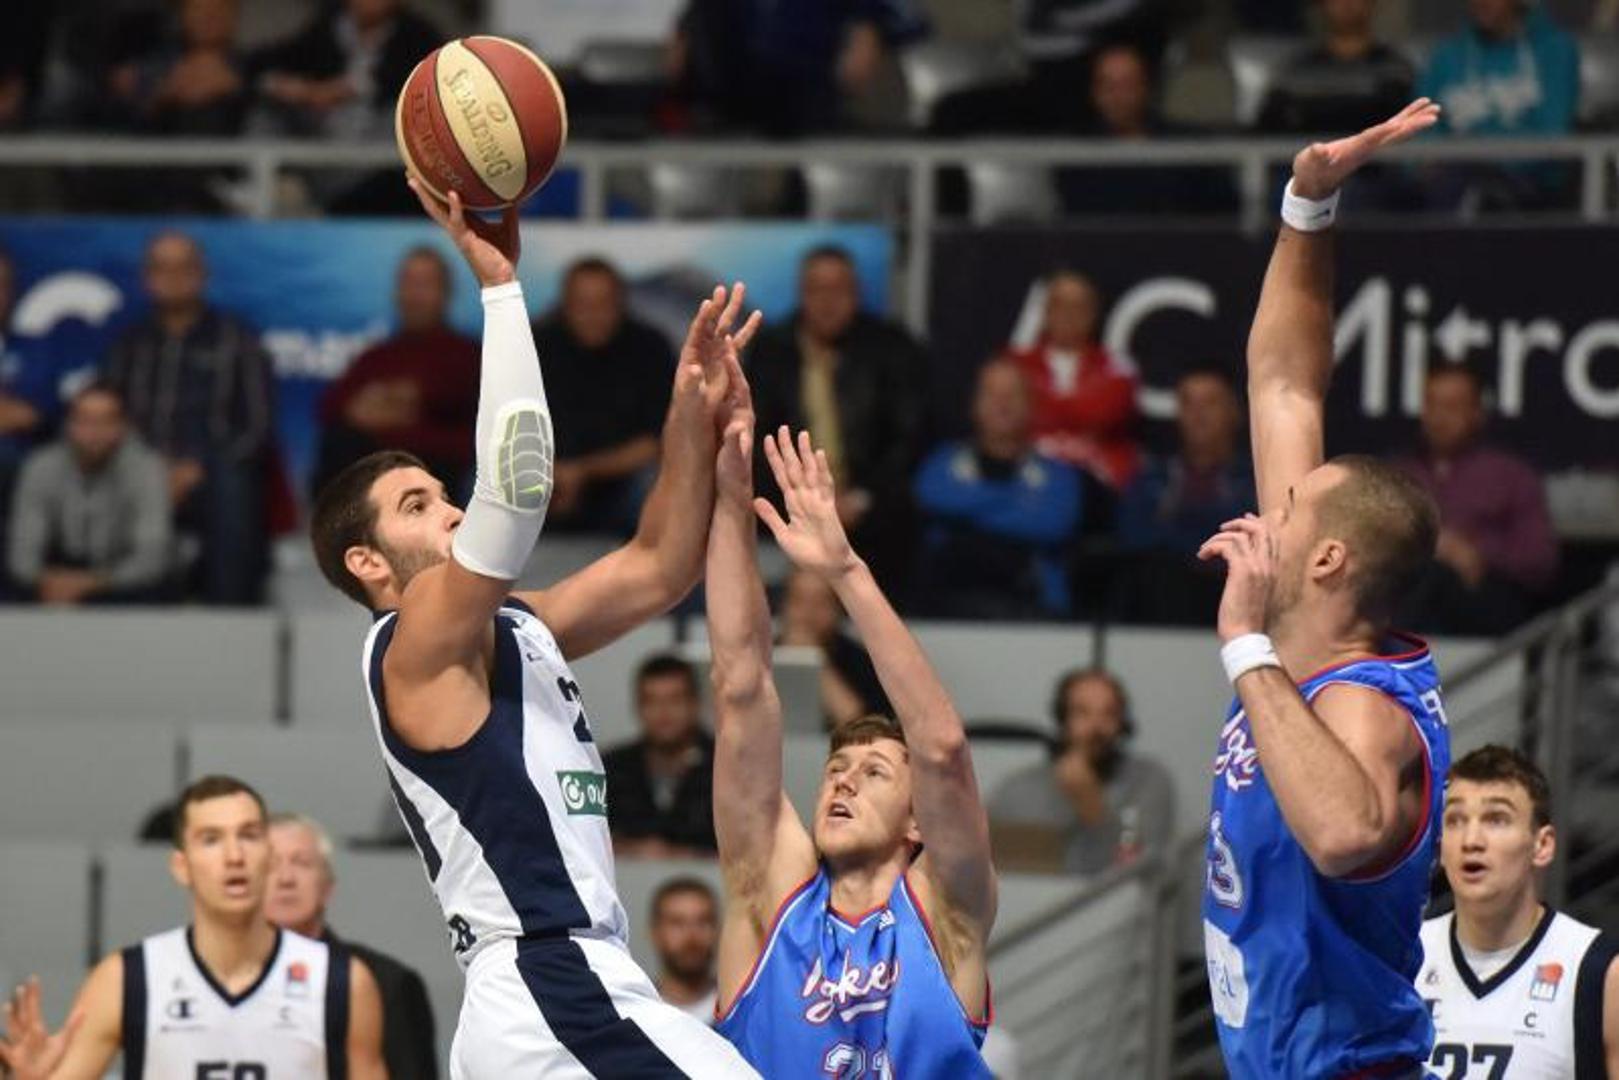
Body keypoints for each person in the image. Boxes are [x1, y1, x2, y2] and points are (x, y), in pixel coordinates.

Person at [307, 179, 759, 1077]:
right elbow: (515, 488)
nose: (448, 510)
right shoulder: (411, 645)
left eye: (442, 493)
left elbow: (659, 565)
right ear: (367, 563)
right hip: (549, 983)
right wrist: (502, 290)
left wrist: (689, 405)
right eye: (416, 505)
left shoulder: (515, 625)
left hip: (564, 986)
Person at [1196, 101, 1453, 1077]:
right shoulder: (1306, 632)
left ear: (1328, 562)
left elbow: (1343, 835)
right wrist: (1307, 203)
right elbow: (1283, 384)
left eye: (1291, 509)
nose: (1269, 509)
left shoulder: (1362, 706)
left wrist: (1243, 648)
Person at [706, 400, 996, 1073]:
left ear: (917, 822)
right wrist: (728, 496)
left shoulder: (943, 910)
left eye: (874, 773)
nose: (842, 781)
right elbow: (740, 686)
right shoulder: (773, 903)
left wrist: (844, 572)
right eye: (836, 769)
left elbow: (942, 749)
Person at [0, 775, 385, 1079]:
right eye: (211, 839)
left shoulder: (343, 980)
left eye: (249, 835)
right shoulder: (127, 977)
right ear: (180, 866)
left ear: (269, 856)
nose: (234, 856)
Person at [1418, 745, 1619, 1076]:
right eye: (1455, 820)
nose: (1471, 840)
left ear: (1542, 845)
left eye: (1496, 819)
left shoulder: (1599, 969)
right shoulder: (1406, 957)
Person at [103, 230, 274, 605]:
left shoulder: (236, 338)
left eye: (184, 267)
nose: (173, 276)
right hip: (137, 469)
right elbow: (108, 417)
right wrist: (152, 470)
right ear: (147, 278)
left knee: (234, 486)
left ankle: (229, 616)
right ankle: (114, 610)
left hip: (212, 473)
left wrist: (198, 468)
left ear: (203, 274)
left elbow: (257, 426)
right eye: (162, 268)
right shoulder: (128, 343)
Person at [749, 246, 927, 591]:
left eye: (839, 289)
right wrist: (801, 502)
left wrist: (860, 498)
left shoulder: (893, 349)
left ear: (857, 294)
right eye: (817, 289)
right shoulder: (771, 351)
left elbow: (909, 438)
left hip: (871, 507)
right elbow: (757, 438)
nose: (827, 301)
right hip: (789, 502)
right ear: (801, 294)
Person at [266, 812, 440, 1080]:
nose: (286, 878)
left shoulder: (387, 982)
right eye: (270, 865)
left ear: (328, 887)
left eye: (302, 863)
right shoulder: (220, 979)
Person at [913, 358, 1083, 620]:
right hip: (948, 611)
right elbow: (930, 496)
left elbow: (1054, 523)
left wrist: (964, 514)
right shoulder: (943, 463)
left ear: (1031, 405)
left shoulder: (1059, 476)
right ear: (973, 404)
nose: (1002, 403)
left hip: (1035, 615)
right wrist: (1019, 501)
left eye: (1012, 394)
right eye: (991, 393)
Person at [1397, 364, 1558, 634]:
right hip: (1408, 593)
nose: (1439, 417)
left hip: (1484, 600)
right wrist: (1434, 545)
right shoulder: (1397, 475)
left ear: (1477, 413)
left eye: (1451, 406)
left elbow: (1539, 562)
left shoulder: (1511, 476)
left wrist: (1476, 554)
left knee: (1439, 576)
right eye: (1431, 404)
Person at [314, 247, 479, 500]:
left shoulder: (468, 356)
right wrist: (368, 411)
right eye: (408, 283)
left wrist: (405, 408)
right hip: (371, 486)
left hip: (439, 483)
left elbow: (470, 436)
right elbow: (331, 407)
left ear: (446, 292)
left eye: (425, 284)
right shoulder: (376, 357)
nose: (415, 295)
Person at [531, 257, 676, 534]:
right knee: (488, 479)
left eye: (603, 304)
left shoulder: (650, 348)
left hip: (624, 480)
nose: (593, 315)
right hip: (543, 477)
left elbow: (658, 441)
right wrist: (550, 473)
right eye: (582, 305)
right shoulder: (535, 345)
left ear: (621, 303)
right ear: (564, 304)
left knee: (658, 481)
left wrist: (582, 471)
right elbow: (505, 429)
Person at [988, 669, 1174, 875]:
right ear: (1063, 720)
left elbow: (1144, 874)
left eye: (1109, 714)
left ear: (1123, 723)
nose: (1096, 727)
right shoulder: (1018, 790)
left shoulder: (1147, 781)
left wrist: (1091, 803)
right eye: (1082, 713)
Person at [6, 383, 171, 605]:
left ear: (123, 426)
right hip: (53, 578)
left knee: (153, 588)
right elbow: (22, 552)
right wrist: (47, 580)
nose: (94, 432)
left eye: (105, 421)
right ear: (69, 425)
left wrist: (92, 583)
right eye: (84, 421)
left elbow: (152, 555)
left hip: (119, 583)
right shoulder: (41, 467)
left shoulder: (147, 469)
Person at [1115, 365, 1254, 624]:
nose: (1198, 414)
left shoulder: (1254, 481)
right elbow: (1131, 536)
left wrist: (1175, 534)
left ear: (1235, 412)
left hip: (1236, 605)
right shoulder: (1152, 477)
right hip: (1160, 610)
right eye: (1188, 403)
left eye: (1210, 402)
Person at [669, 0, 925, 135]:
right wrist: (685, 34)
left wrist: (873, 28)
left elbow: (906, 19)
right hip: (735, 92)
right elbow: (695, 24)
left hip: (820, 93)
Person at [1417, 0, 1581, 210]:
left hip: (1529, 188)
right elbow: (1420, 131)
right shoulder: (1444, 56)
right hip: (1450, 181)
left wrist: (1475, 149)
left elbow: (1552, 136)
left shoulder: (1555, 49)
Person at [1056, 43, 1239, 218]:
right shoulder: (1073, 156)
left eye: (1127, 85)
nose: (1118, 96)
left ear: (1145, 88)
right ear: (1094, 92)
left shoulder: (1187, 149)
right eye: (1108, 85)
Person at [1004, 270, 1140, 491]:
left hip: (1098, 482)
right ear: (1046, 311)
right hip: (1026, 482)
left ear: (1093, 314)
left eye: (1078, 306)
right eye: (1060, 305)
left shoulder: (1118, 368)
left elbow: (1106, 415)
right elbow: (1005, 418)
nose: (1068, 314)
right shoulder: (1015, 364)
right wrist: (1077, 410)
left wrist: (1042, 407)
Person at [603, 655, 719, 857]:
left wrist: (681, 855)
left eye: (675, 700)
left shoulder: (724, 767)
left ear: (695, 704)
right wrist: (629, 851)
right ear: (638, 707)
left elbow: (747, 846)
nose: (663, 713)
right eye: (651, 701)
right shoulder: (611, 768)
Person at [1258, 0, 1415, 136]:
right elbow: (1266, 133)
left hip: (1377, 159)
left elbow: (1409, 129)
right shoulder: (1295, 71)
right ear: (1321, 4)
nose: (1346, 3)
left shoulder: (1396, 69)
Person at [107, 0, 249, 136]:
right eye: (198, 9)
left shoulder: (249, 67)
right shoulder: (153, 66)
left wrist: (234, 87)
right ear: (182, 14)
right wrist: (165, 92)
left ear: (233, 15)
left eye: (218, 8)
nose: (208, 16)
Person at [779, 568, 891, 729]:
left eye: (821, 603)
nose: (808, 613)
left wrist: (813, 660)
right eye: (798, 600)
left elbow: (860, 729)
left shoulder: (862, 661)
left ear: (839, 608)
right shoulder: (760, 654)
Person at [649, 877, 721, 1025]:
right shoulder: (636, 1013)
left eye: (703, 922)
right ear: (655, 933)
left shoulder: (739, 1015)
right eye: (677, 923)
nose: (691, 936)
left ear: (718, 931)